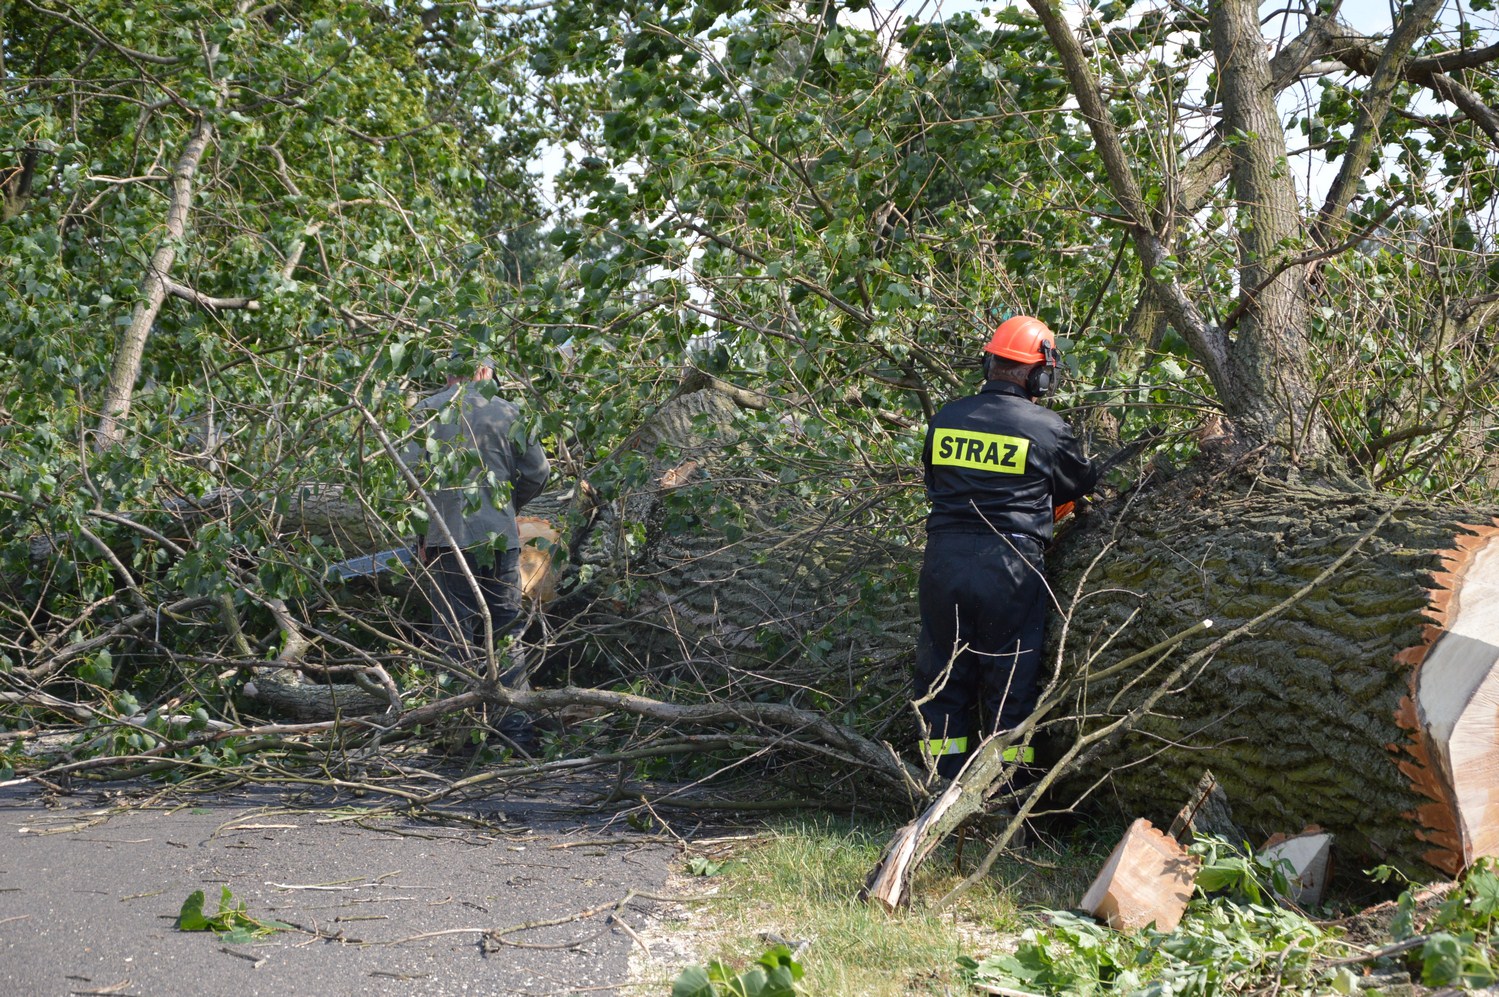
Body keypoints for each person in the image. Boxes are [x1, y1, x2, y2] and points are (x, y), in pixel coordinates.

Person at [914, 315, 1098, 780]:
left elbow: (935, 485)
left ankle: (941, 786)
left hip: (944, 560)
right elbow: (1080, 482)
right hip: (1010, 564)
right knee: (1011, 683)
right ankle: (1008, 790)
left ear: (990, 362)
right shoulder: (1047, 427)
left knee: (943, 678)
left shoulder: (945, 419)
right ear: (1041, 372)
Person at [408, 354, 550, 752]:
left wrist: (420, 535)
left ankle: (461, 733)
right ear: (486, 372)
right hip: (499, 537)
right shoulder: (509, 412)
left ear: (448, 372)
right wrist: (508, 506)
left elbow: (409, 480)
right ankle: (517, 729)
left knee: (454, 633)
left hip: (443, 538)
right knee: (506, 630)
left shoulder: (425, 411)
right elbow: (539, 473)